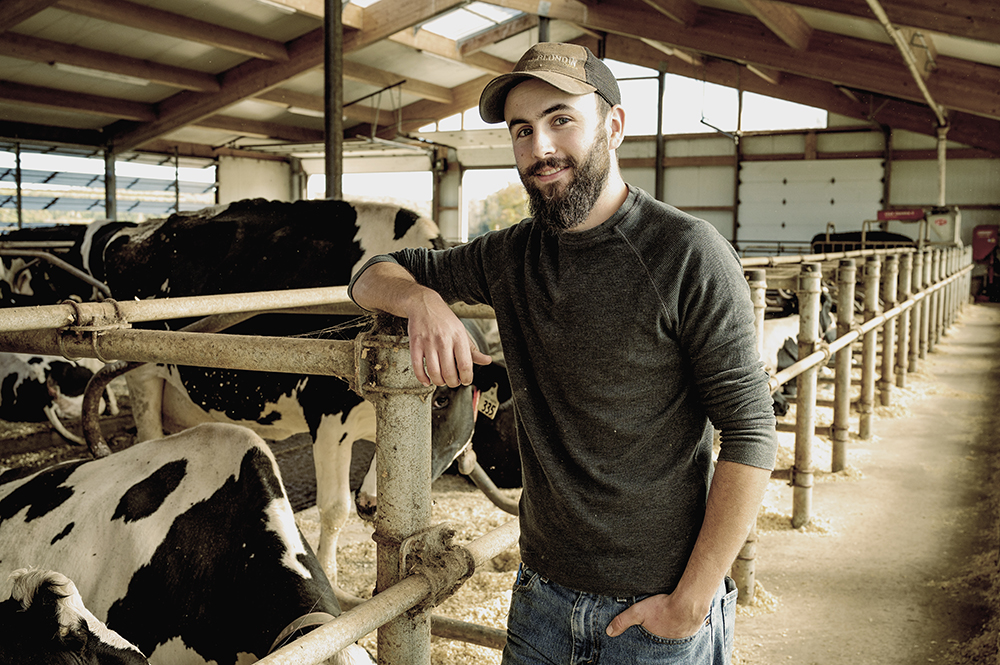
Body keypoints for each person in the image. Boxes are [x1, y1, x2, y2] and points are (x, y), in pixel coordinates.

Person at [349, 41, 777, 664]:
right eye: (523, 130)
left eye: (561, 120)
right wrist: (421, 303)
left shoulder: (688, 253)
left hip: (654, 613)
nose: (540, 148)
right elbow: (370, 271)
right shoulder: (510, 255)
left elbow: (751, 431)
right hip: (542, 600)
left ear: (614, 125)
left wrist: (690, 602)